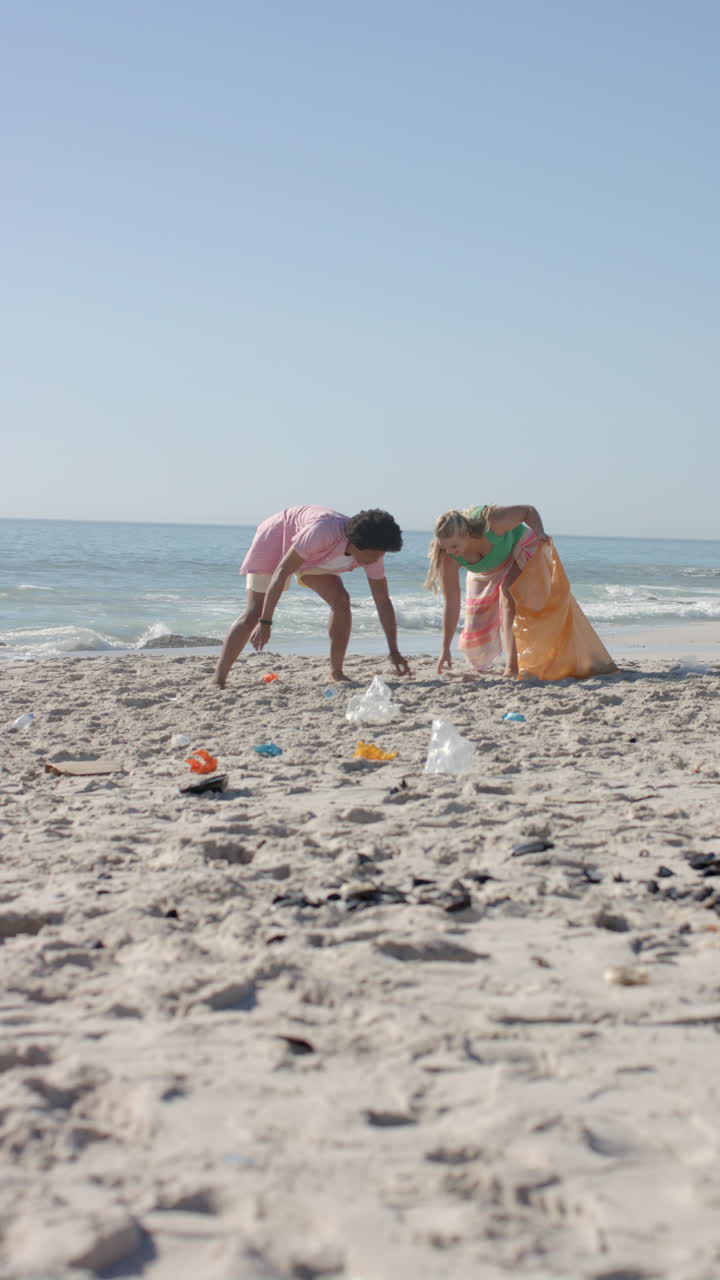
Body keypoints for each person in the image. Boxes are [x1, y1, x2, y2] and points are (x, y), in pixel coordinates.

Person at [214, 506, 412, 687]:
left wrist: (393, 651)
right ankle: (219, 678)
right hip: (276, 537)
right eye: (373, 555)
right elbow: (282, 571)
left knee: (341, 601)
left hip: (316, 556)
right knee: (254, 613)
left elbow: (382, 600)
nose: (377, 560)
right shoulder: (324, 531)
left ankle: (336, 672)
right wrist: (266, 622)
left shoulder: (373, 551)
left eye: (381, 554)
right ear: (355, 544)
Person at [425, 504, 549, 676]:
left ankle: (511, 667)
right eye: (445, 547)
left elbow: (528, 511)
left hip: (519, 548)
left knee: (508, 595)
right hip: (487, 570)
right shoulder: (449, 557)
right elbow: (452, 604)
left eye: (454, 546)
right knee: (476, 623)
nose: (450, 552)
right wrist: (445, 649)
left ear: (467, 534)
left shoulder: (491, 522)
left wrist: (540, 532)